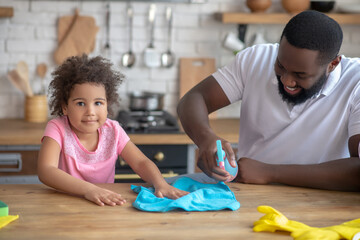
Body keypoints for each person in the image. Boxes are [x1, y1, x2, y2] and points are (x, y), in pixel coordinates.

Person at [177, 10, 360, 191]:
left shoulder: (356, 82)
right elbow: (193, 98)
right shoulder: (256, 59)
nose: (286, 80)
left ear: (333, 64)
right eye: (280, 65)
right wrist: (205, 137)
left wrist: (270, 172)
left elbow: (357, 170)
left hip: (323, 203)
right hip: (249, 193)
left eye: (300, 74)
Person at [38, 55, 188, 206]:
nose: (90, 111)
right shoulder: (57, 128)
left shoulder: (113, 130)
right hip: (65, 203)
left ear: (107, 105)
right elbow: (46, 170)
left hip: (103, 203)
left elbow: (141, 162)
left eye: (98, 103)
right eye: (81, 103)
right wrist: (89, 190)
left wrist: (160, 184)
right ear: (65, 107)